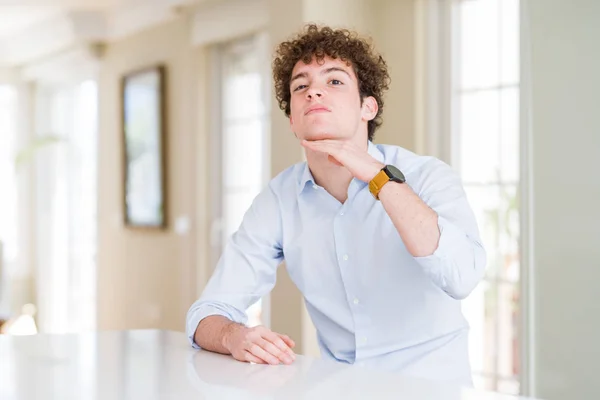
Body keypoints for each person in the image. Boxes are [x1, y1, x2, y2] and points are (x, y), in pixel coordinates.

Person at [186, 24, 486, 386]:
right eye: (301, 86)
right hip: (340, 386)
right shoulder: (279, 199)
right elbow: (206, 313)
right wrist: (236, 336)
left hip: (433, 387)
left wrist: (378, 177)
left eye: (334, 81)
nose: (314, 91)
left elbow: (462, 275)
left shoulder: (427, 176)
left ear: (367, 107)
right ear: (293, 121)